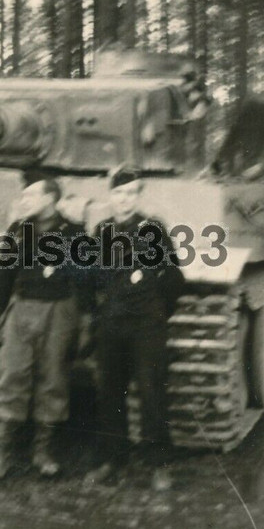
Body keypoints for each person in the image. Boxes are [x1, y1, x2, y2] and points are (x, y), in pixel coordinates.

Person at [0, 175, 93, 483]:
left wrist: (86, 323)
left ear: (50, 198)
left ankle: (42, 452)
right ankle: (2, 455)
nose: (24, 200)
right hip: (22, 310)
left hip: (59, 312)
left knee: (53, 380)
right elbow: (3, 275)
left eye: (31, 195)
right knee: (11, 376)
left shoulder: (74, 232)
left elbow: (84, 280)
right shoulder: (19, 230)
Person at [84, 167, 185, 490]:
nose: (124, 200)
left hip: (145, 323)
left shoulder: (152, 229)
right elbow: (92, 278)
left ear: (138, 196)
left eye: (130, 193)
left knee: (151, 391)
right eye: (118, 193)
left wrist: (156, 312)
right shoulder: (102, 231)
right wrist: (99, 314)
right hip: (112, 322)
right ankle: (113, 458)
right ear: (110, 196)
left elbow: (173, 278)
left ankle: (159, 464)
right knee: (110, 391)